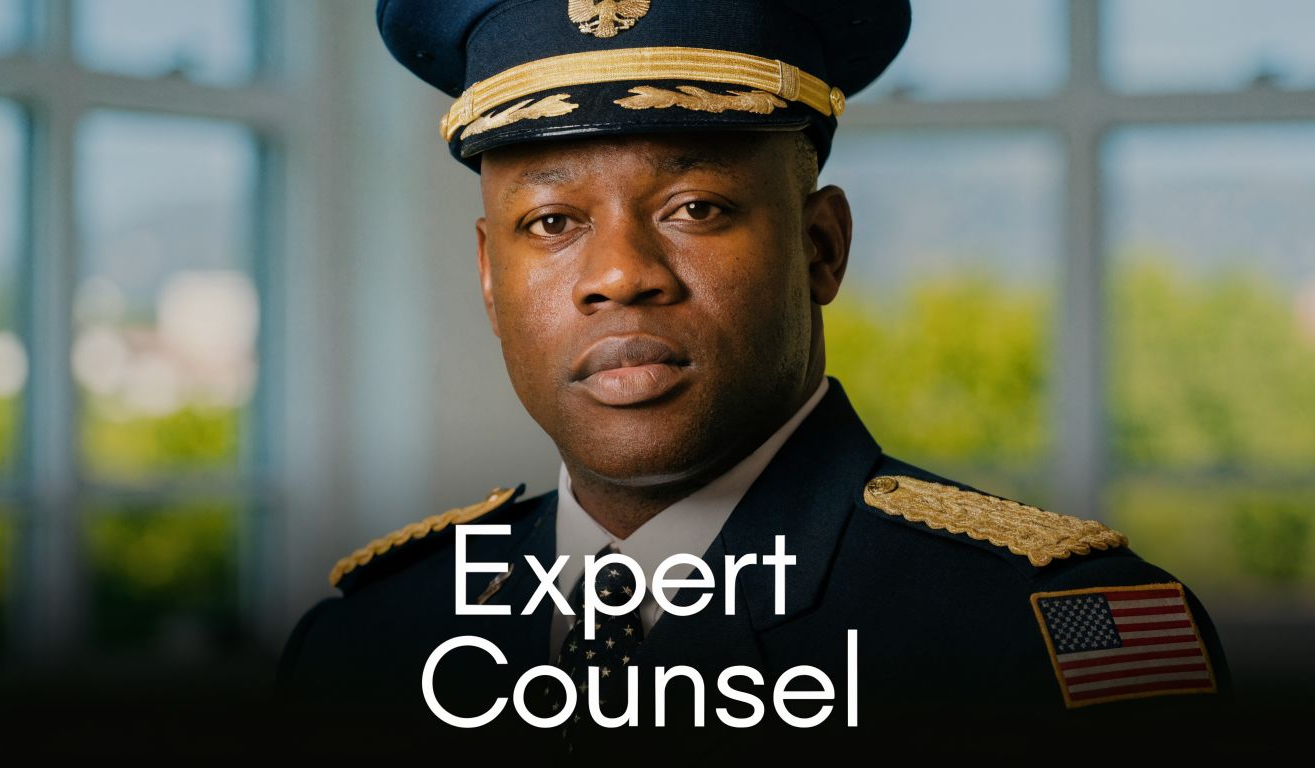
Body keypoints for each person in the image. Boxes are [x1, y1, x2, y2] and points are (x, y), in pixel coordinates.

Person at [277, 0, 1231, 759]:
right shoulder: (367, 646)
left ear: (821, 248)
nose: (620, 273)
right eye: (553, 224)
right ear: (490, 278)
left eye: (696, 207)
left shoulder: (1049, 644)